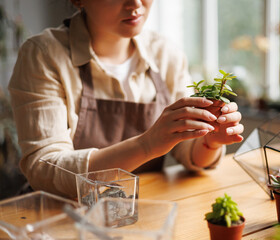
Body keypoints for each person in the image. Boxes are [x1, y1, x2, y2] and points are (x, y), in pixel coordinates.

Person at [8, 0, 244, 199]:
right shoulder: (43, 55)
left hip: (138, 212)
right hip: (61, 216)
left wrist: (209, 141)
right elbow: (44, 168)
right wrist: (146, 145)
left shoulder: (165, 54)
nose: (135, 4)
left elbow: (187, 148)